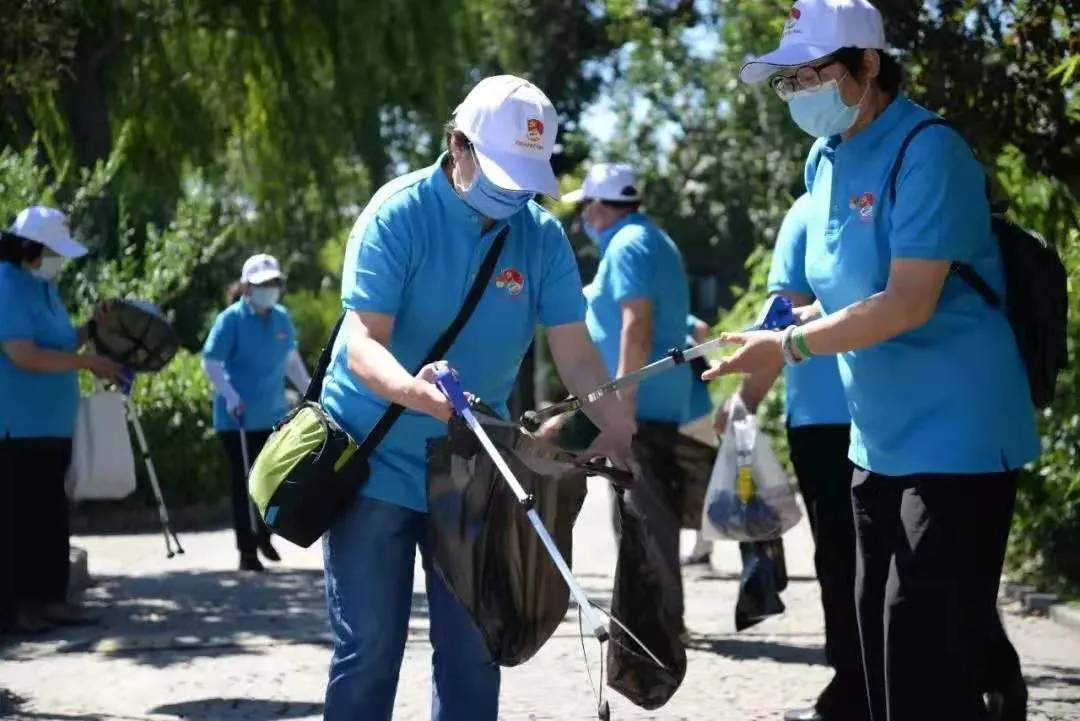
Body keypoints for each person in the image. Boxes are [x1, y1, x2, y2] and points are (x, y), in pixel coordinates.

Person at [708, 1, 1038, 719]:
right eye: (787, 79)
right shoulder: (822, 160)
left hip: (961, 438)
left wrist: (790, 344)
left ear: (869, 65)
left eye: (811, 73)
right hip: (874, 440)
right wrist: (776, 329)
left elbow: (908, 301)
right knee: (875, 652)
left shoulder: (929, 150)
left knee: (925, 651)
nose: (798, 91)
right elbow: (846, 294)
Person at [318, 75, 636, 721]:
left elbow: (574, 352)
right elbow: (361, 345)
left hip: (469, 469)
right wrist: (414, 391)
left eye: (526, 176)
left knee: (471, 646)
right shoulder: (397, 212)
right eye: (501, 170)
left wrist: (618, 425)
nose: (513, 190)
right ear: (457, 145)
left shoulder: (541, 236)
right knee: (371, 644)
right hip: (371, 461)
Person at [714, 194, 862, 721]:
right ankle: (987, 672)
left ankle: (853, 692)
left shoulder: (811, 209)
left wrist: (745, 400)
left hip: (825, 417)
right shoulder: (892, 193)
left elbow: (779, 323)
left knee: (842, 561)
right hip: (897, 408)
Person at [560, 160, 693, 638]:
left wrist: (622, 408)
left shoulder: (627, 244)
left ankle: (655, 622)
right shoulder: (653, 238)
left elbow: (636, 326)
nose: (583, 221)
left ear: (599, 206)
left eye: (585, 210)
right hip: (659, 399)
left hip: (640, 404)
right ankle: (655, 615)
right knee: (645, 511)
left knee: (643, 514)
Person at [0, 206, 122, 634]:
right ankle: (17, 609)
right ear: (32, 249)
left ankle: (51, 599)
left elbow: (59, 340)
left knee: (50, 516)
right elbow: (22, 354)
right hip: (16, 427)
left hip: (53, 424)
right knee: (18, 521)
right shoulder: (6, 286)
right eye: (54, 252)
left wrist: (90, 328)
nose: (59, 261)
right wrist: (86, 362)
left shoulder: (44, 287)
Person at [201, 253, 311, 572]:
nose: (271, 289)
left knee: (274, 481)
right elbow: (211, 362)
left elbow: (291, 361)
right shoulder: (231, 320)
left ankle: (263, 533)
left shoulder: (281, 318)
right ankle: (247, 551)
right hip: (237, 417)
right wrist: (231, 395)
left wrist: (311, 391)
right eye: (264, 284)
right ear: (247, 287)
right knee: (244, 483)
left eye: (275, 283)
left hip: (273, 414)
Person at [680, 313, 717, 567]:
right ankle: (703, 547)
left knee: (671, 483)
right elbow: (703, 327)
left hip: (670, 415)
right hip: (701, 410)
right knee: (702, 480)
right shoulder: (679, 318)